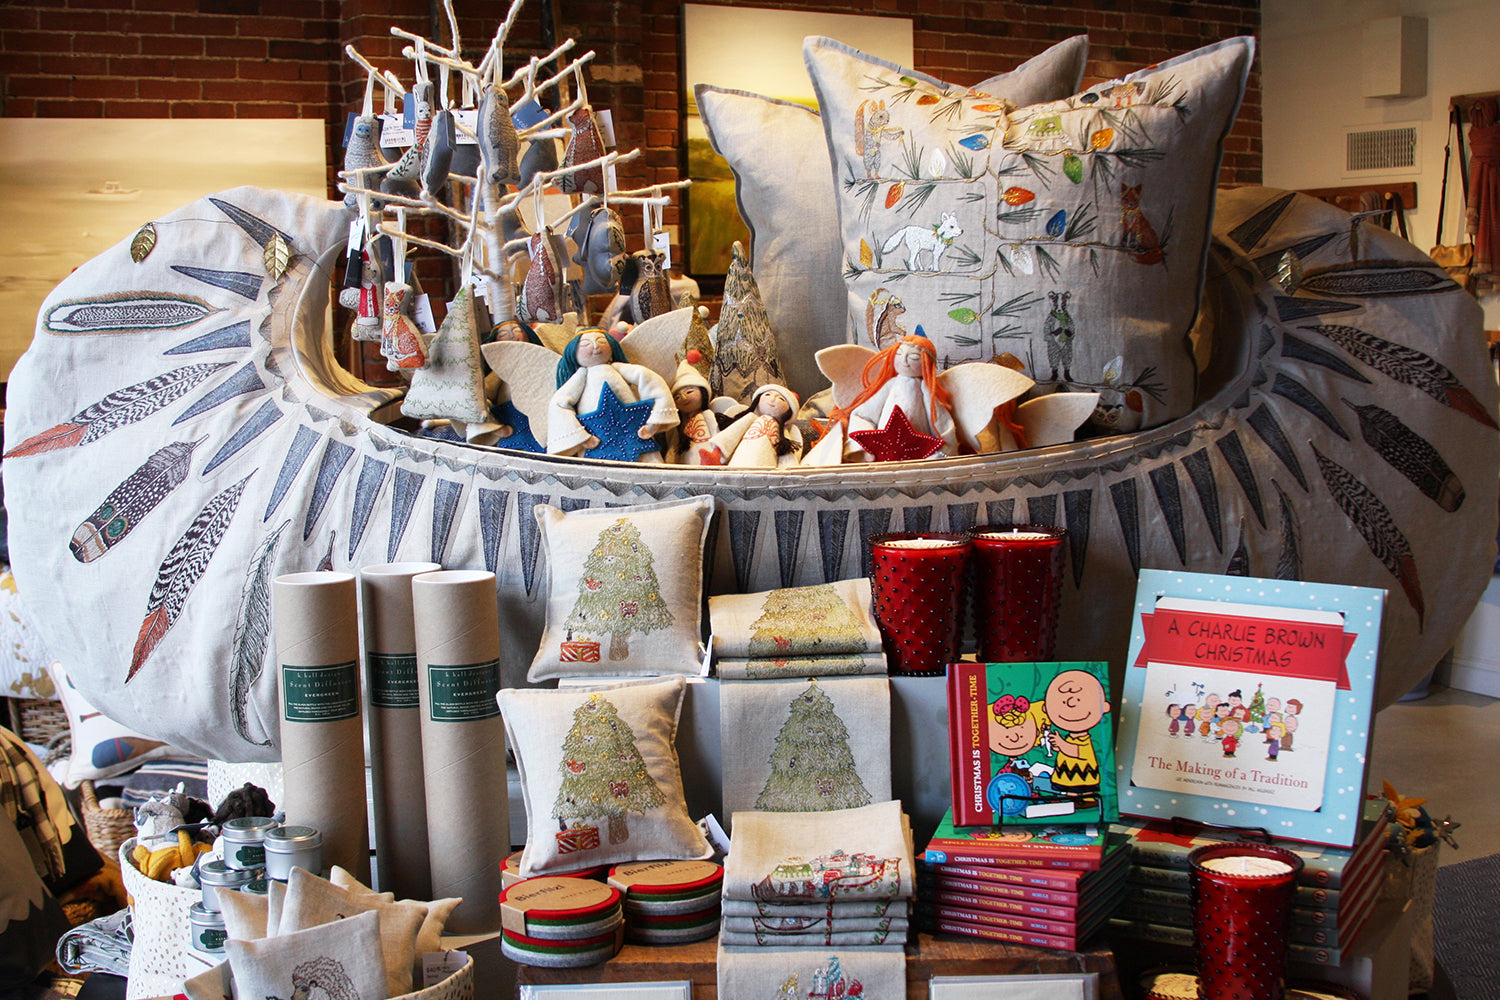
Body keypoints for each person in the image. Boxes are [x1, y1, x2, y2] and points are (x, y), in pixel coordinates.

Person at [547, 327, 676, 459]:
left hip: (635, 433)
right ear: (573, 352)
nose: (595, 346)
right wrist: (580, 437)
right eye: (586, 344)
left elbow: (652, 381)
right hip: (596, 441)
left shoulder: (619, 368)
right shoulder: (581, 376)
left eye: (601, 341)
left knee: (645, 459)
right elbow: (559, 404)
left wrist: (654, 421)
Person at [824, 333, 957, 458]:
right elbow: (863, 414)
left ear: (927, 363)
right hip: (881, 449)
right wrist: (864, 445)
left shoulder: (926, 390)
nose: (904, 361)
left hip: (919, 453)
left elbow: (940, 420)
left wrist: (943, 452)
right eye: (899, 354)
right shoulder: (890, 385)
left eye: (914, 358)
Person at [700, 384, 803, 468]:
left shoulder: (782, 432)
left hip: (765, 470)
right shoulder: (751, 418)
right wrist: (717, 454)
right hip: (738, 464)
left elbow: (787, 452)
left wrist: (788, 469)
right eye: (767, 395)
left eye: (781, 399)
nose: (772, 400)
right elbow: (733, 433)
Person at [1043, 669, 1110, 796]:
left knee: (1085, 790)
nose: (1071, 703)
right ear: (1046, 708)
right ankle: (1073, 801)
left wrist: (1061, 744)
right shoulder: (1069, 738)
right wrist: (1057, 745)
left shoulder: (1085, 740)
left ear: (1104, 707)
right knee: (1070, 790)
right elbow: (1067, 749)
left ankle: (1088, 800)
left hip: (1084, 773)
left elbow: (1078, 752)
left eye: (1080, 700)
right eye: (1063, 702)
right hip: (1067, 772)